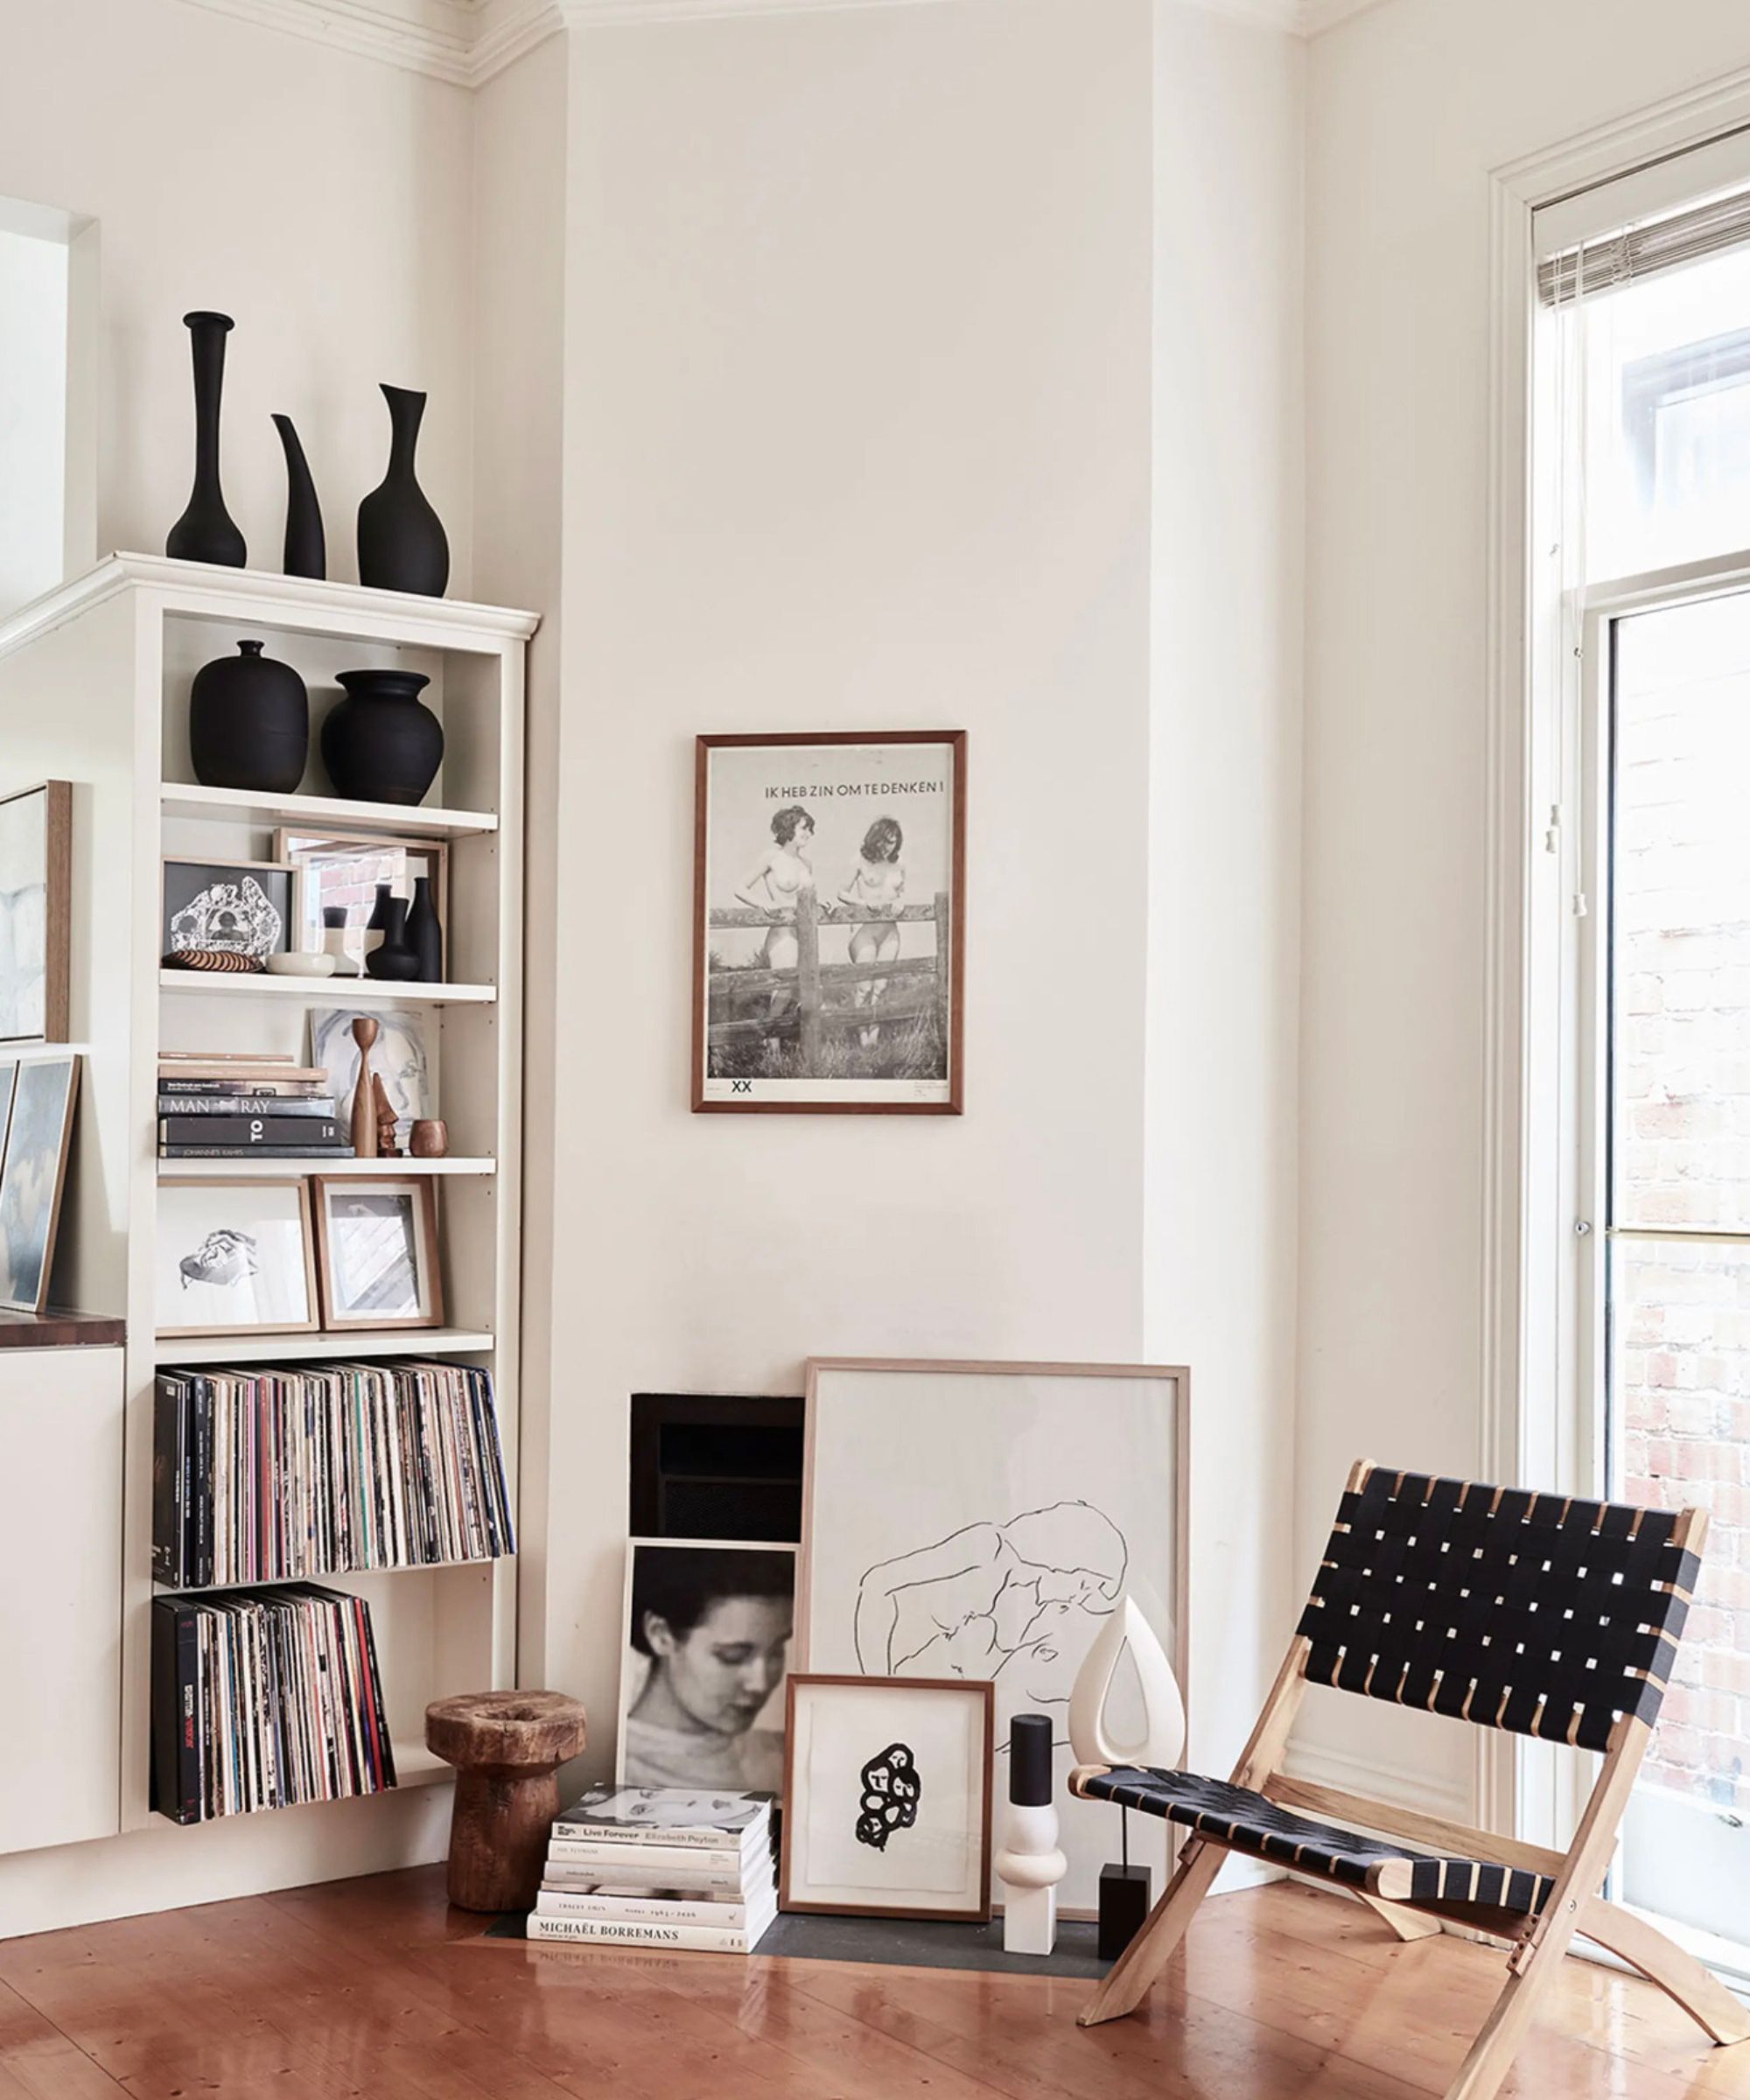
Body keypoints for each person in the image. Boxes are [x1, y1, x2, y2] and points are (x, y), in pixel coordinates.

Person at [623, 1545, 794, 1789]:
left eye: (776, 1650)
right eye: (732, 1656)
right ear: (660, 1635)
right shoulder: (622, 1771)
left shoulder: (781, 1754)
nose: (761, 1683)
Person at [733, 805, 816, 1030]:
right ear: (788, 828)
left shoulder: (806, 863)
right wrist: (765, 904)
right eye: (803, 828)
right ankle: (771, 1041)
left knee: (806, 988)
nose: (808, 833)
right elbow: (740, 888)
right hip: (782, 934)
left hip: (806, 934)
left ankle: (782, 1041)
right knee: (784, 989)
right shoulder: (771, 856)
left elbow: (806, 899)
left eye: (810, 829)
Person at [838, 816, 906, 1046]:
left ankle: (873, 1042)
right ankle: (861, 1036)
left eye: (894, 842)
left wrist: (902, 901)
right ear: (875, 838)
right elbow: (842, 892)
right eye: (885, 841)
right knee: (864, 986)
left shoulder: (899, 865)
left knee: (882, 985)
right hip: (863, 931)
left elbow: (902, 893)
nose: (889, 847)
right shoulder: (859, 861)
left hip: (890, 931)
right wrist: (862, 903)